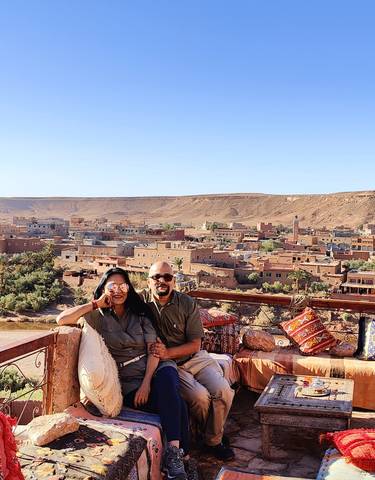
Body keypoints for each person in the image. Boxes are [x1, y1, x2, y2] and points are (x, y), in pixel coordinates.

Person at [56, 267, 192, 480]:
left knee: (167, 380)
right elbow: (61, 320)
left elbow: (154, 350)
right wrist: (95, 304)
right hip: (128, 382)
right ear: (104, 288)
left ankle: (174, 455)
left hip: (154, 370)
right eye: (112, 286)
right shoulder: (97, 316)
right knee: (178, 404)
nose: (118, 291)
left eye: (123, 286)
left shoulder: (140, 313)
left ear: (129, 288)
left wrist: (147, 383)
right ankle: (182, 459)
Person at [141, 261, 235, 461]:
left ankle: (213, 440)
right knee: (200, 398)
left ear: (173, 281)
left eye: (167, 277)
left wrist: (167, 353)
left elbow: (195, 345)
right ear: (148, 281)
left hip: (195, 358)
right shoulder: (140, 302)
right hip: (172, 367)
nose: (162, 281)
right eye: (156, 277)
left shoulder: (185, 303)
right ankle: (214, 436)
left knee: (223, 390)